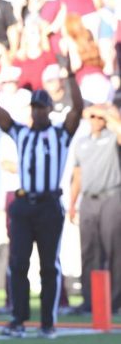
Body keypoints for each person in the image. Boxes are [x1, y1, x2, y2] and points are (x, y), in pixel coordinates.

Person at [0, 48, 83, 338]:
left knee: (49, 266)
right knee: (18, 262)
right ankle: (18, 319)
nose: (38, 111)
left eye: (42, 107)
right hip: (23, 204)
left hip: (49, 204)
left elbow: (77, 109)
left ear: (48, 110)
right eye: (35, 107)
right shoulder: (21, 133)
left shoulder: (60, 134)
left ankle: (47, 323)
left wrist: (71, 76)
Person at [68, 104, 121, 315]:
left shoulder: (112, 139)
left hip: (111, 196)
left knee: (114, 250)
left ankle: (116, 301)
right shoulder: (82, 143)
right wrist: (72, 203)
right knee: (89, 251)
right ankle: (90, 300)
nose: (96, 120)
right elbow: (77, 175)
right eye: (93, 117)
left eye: (100, 117)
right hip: (89, 199)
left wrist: (108, 114)